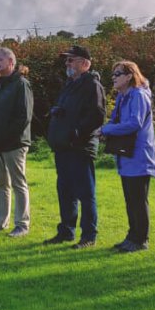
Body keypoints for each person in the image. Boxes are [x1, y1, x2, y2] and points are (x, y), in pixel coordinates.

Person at [43, 45, 106, 248]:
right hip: (63, 146)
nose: (67, 63)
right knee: (65, 191)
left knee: (85, 193)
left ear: (85, 64)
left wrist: (77, 133)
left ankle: (89, 235)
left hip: (80, 148)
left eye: (71, 60)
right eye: (67, 60)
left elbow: (97, 116)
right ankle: (66, 231)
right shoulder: (70, 84)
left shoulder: (92, 85)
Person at [100, 60, 155, 252]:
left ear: (129, 76)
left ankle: (141, 239)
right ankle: (132, 236)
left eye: (117, 74)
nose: (113, 78)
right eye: (113, 74)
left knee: (138, 200)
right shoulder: (123, 96)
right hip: (127, 154)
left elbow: (135, 123)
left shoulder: (138, 95)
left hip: (139, 155)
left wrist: (107, 129)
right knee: (131, 199)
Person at [0, 47, 33, 237]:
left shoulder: (21, 84)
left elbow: (24, 117)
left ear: (11, 62)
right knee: (1, 184)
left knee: (19, 184)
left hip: (15, 144)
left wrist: (5, 138)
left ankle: (22, 224)